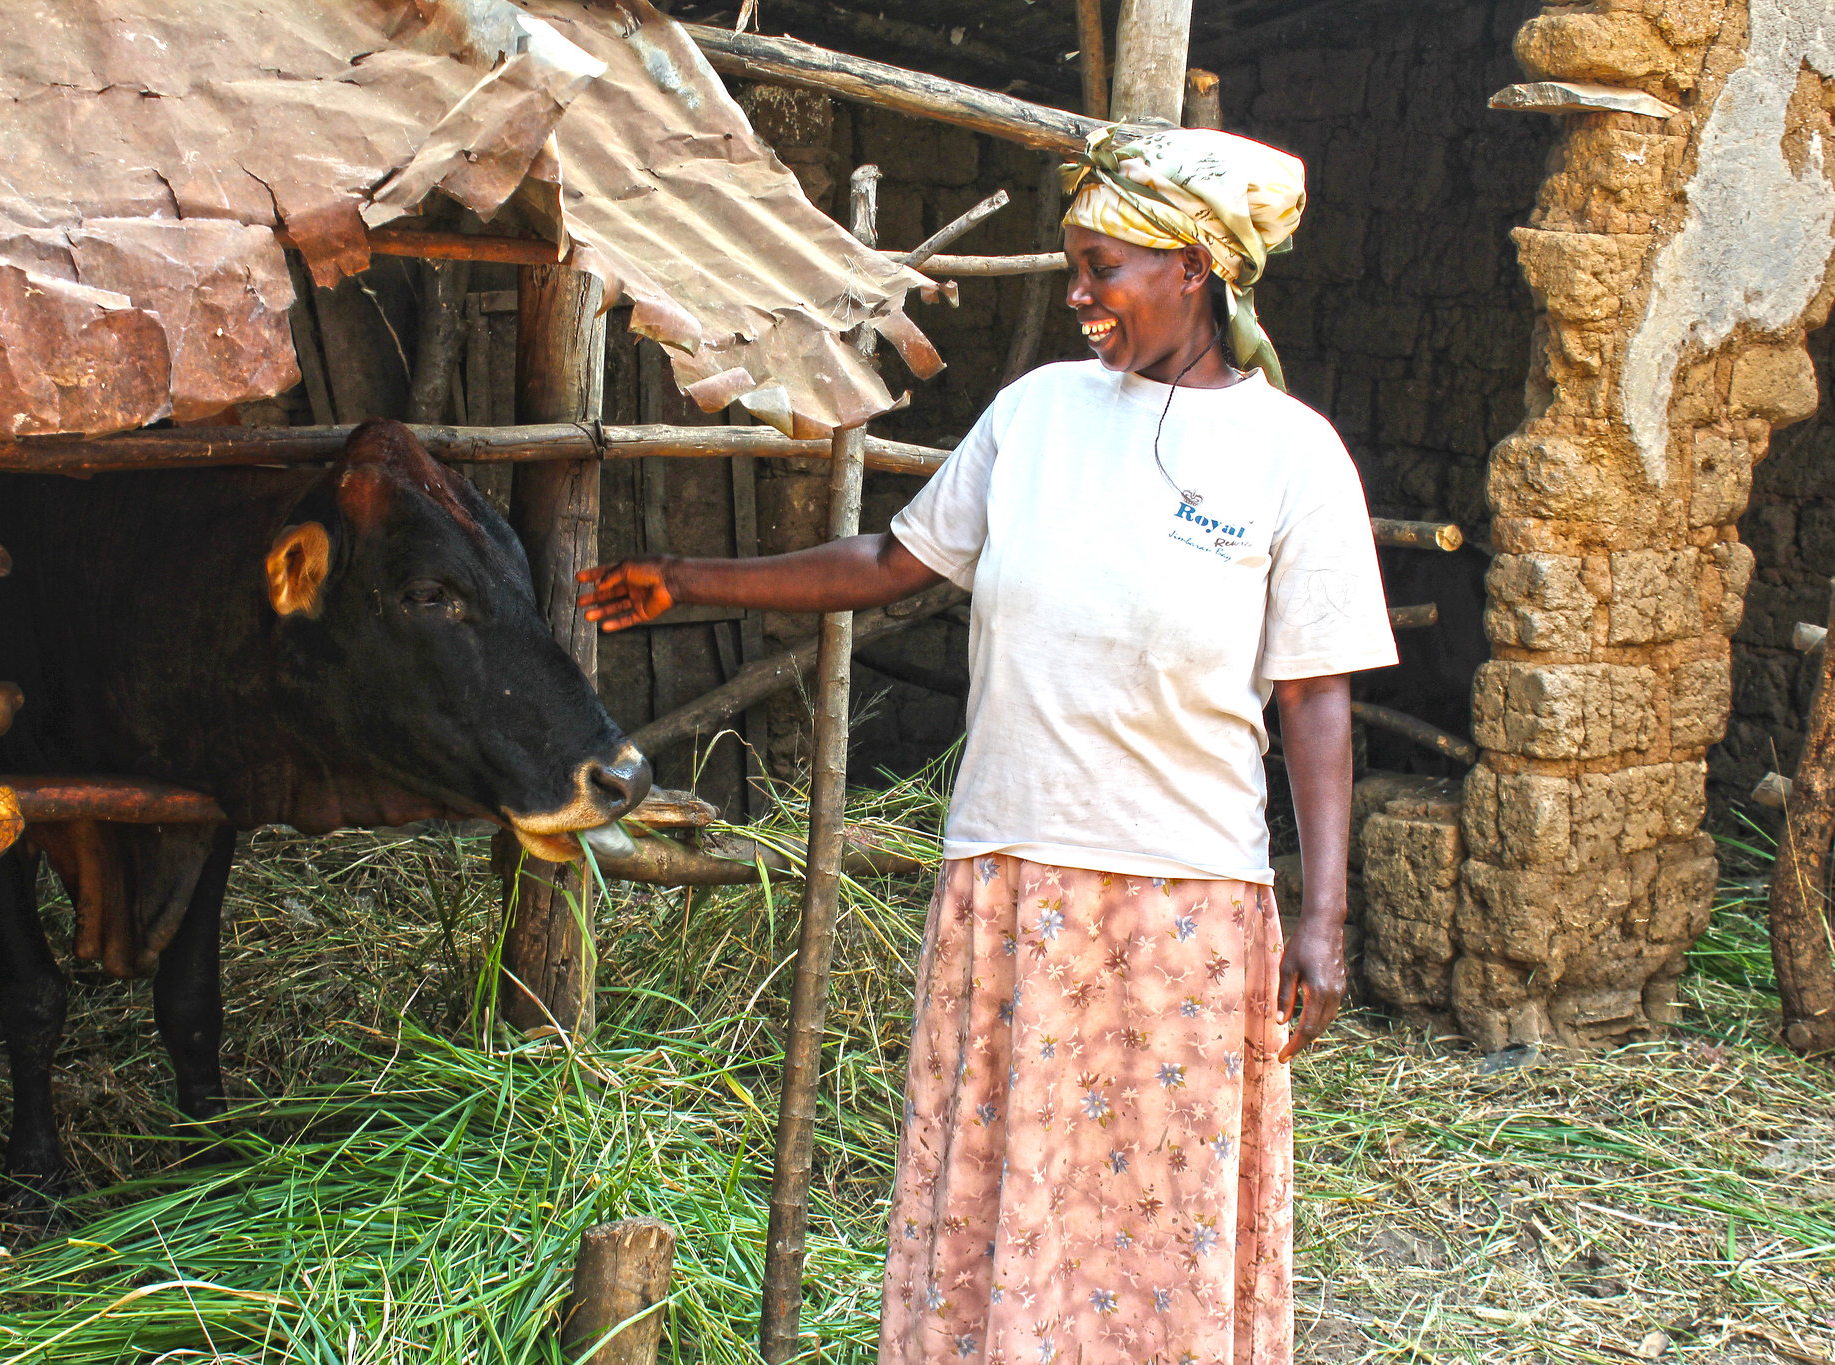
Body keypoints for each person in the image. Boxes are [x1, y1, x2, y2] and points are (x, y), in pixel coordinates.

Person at [578, 125, 1396, 1365]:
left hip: (1186, 900)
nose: (1078, 294)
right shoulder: (1037, 415)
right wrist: (686, 577)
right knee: (1003, 1201)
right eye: (1074, 264)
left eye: (1102, 266)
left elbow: (1314, 696)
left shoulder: (1292, 457)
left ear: (1194, 267)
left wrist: (1321, 916)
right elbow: (889, 563)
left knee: (1154, 1217)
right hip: (1011, 881)